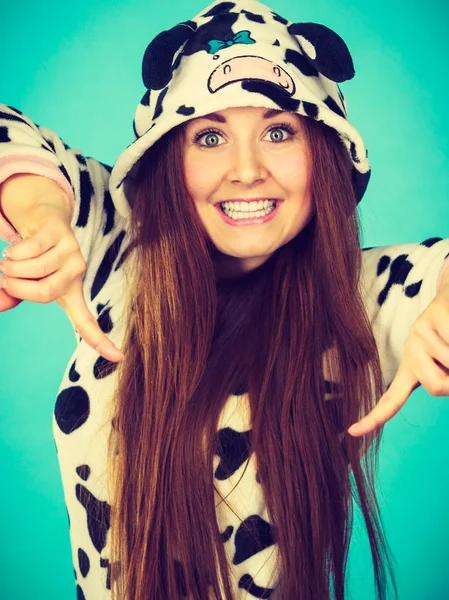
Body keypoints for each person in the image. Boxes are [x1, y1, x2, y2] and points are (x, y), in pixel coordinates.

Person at [1, 0, 449, 598]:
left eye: (278, 131)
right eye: (209, 136)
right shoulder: (118, 247)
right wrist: (40, 212)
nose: (245, 170)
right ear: (169, 161)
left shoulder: (360, 299)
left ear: (324, 154)